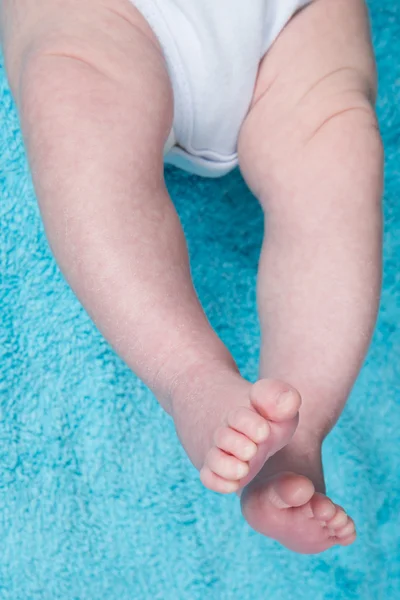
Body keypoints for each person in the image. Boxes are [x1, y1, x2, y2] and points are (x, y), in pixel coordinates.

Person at [0, 0, 383, 554]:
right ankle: (191, 378)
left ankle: (297, 435)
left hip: (291, 18)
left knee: (338, 155)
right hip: (114, 14)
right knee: (72, 93)